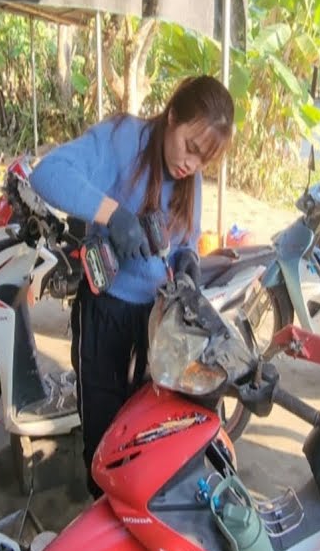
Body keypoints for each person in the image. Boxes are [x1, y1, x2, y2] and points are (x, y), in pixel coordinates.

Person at [28, 75, 235, 497]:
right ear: (172, 114)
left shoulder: (189, 177)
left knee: (145, 426)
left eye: (203, 160)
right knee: (102, 422)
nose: (191, 165)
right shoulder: (123, 140)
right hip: (105, 306)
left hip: (156, 316)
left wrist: (188, 259)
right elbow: (48, 173)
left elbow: (185, 239)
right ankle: (99, 500)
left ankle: (132, 509)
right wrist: (114, 215)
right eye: (190, 147)